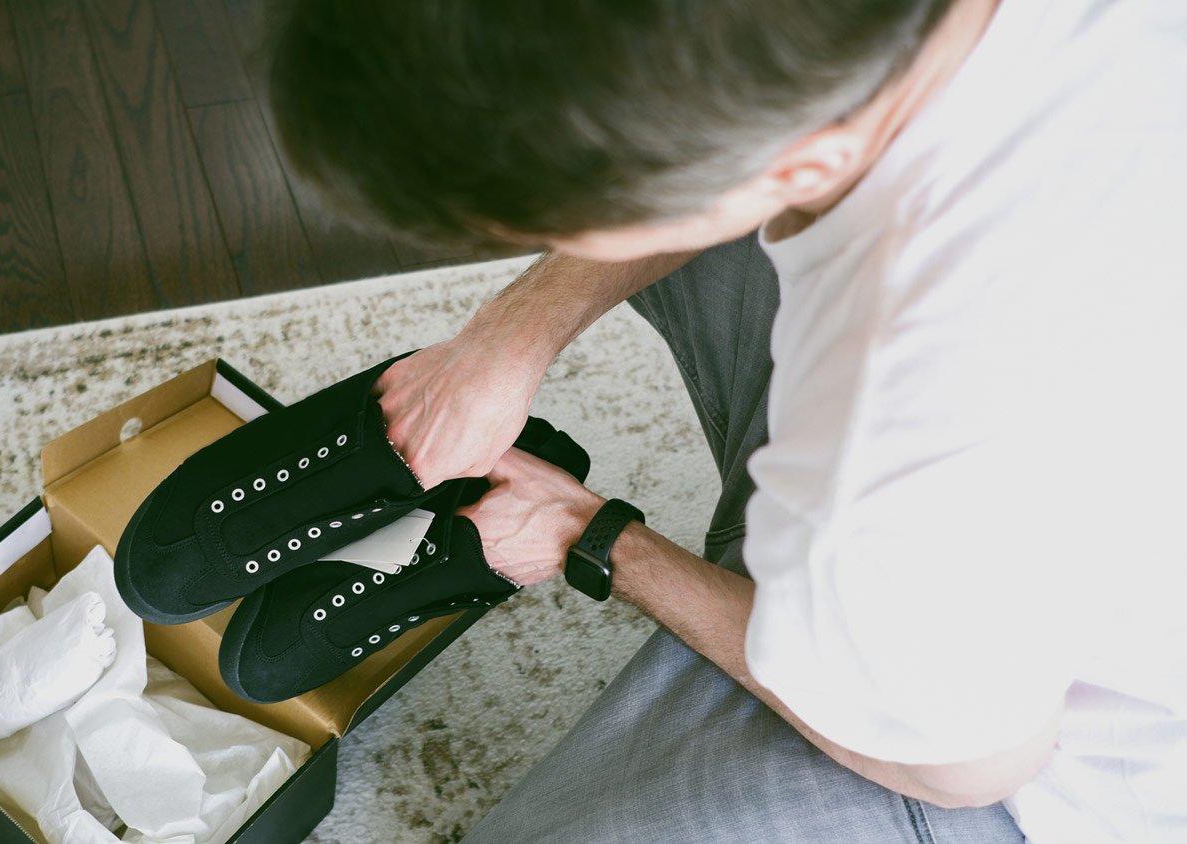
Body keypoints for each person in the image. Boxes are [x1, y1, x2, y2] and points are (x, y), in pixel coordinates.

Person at [264, 1, 1187, 841]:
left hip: (1038, 765)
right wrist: (510, 336)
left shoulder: (901, 450)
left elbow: (968, 766)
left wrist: (593, 535)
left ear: (801, 164)